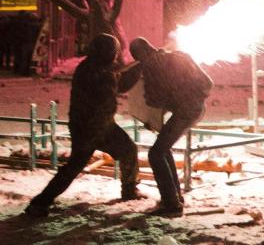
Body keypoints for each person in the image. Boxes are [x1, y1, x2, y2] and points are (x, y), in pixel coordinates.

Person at [25, 33, 142, 217]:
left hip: (100, 125)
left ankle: (129, 190)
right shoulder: (96, 72)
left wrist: (137, 66)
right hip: (90, 127)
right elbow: (118, 84)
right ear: (106, 51)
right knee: (75, 166)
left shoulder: (94, 66)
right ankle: (40, 203)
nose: (115, 55)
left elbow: (118, 80)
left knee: (128, 151)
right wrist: (139, 66)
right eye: (113, 51)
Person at [129, 37, 212, 216]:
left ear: (140, 55)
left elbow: (154, 100)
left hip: (185, 111)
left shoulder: (151, 67)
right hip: (197, 107)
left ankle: (171, 204)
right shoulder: (179, 55)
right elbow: (208, 83)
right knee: (163, 150)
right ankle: (175, 197)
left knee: (155, 153)